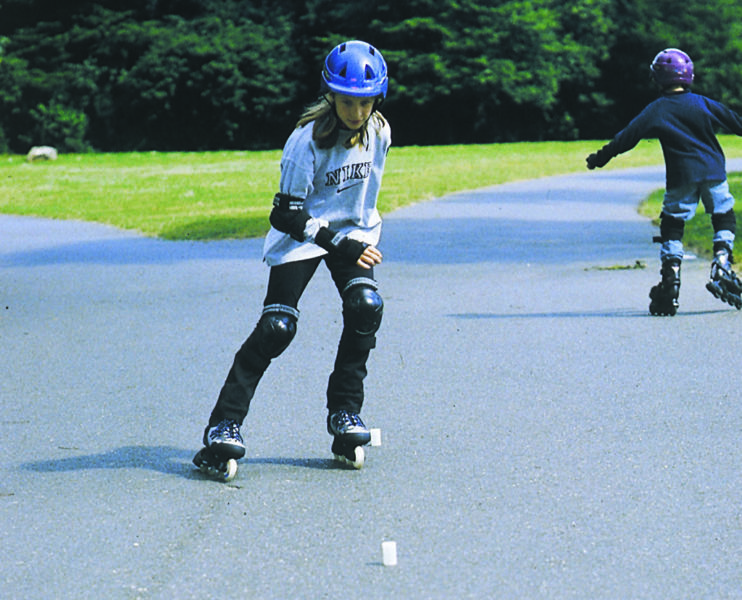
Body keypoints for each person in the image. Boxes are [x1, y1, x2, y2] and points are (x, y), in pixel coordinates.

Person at [196, 40, 391, 471]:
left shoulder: (380, 131)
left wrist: (356, 235)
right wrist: (339, 243)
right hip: (303, 235)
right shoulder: (305, 142)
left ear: (378, 97)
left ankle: (345, 413)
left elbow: (364, 195)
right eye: (347, 102)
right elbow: (285, 214)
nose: (356, 112)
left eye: (365, 102)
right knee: (277, 327)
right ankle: (222, 426)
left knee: (365, 306)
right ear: (331, 96)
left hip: (350, 232)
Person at [586, 48, 742, 315]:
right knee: (722, 214)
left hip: (681, 176)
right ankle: (722, 261)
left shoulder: (656, 110)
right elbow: (736, 122)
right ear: (689, 75)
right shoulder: (703, 103)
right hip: (714, 172)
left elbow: (627, 137)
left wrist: (600, 158)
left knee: (673, 223)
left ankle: (671, 276)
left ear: (657, 78)